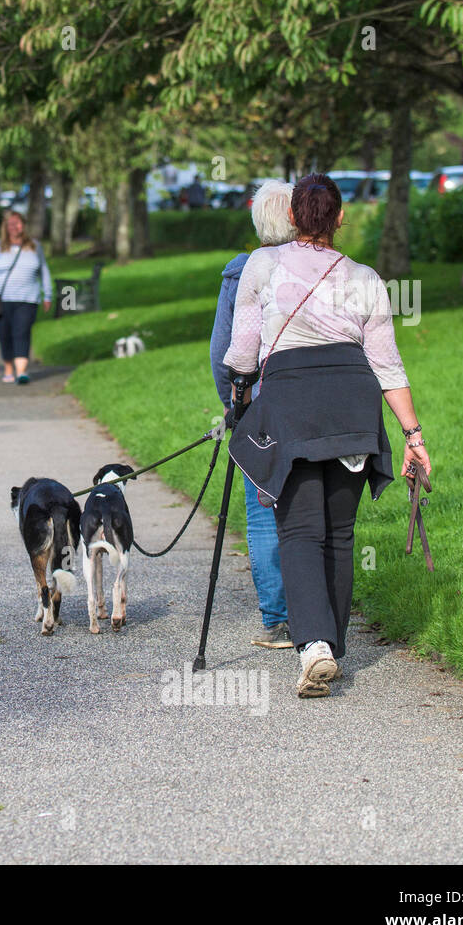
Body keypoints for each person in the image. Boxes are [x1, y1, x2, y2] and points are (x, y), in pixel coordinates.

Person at [224, 173, 431, 699]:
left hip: (293, 407)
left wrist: (239, 402)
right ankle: (331, 647)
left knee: (299, 532)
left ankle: (313, 644)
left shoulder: (262, 265)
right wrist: (413, 434)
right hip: (352, 407)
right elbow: (387, 365)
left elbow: (243, 351)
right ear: (340, 218)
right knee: (340, 533)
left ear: (292, 217)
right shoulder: (365, 277)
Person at [209, 180, 295, 650]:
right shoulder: (314, 266)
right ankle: (310, 611)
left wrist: (232, 404)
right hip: (304, 398)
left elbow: (223, 350)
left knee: (262, 511)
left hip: (256, 401)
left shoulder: (239, 272)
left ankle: (277, 619)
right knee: (302, 502)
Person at [0, 210, 52, 384]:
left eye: (18, 223)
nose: (15, 227)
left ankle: (21, 371)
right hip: (2, 298)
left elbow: (44, 271)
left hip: (28, 298)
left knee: (22, 331)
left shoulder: (35, 246)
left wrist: (47, 295)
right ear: (6, 227)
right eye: (11, 224)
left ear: (24, 225)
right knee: (4, 334)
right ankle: (8, 368)